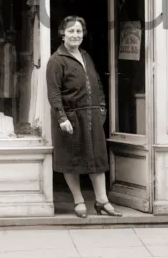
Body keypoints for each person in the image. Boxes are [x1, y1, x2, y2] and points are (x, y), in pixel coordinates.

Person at [46, 15, 122, 218]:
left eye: (79, 31)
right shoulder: (56, 60)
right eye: (71, 31)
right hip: (70, 118)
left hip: (92, 115)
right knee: (71, 159)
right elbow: (53, 94)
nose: (75, 35)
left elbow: (97, 83)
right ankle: (78, 200)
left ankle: (102, 201)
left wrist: (102, 108)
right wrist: (62, 118)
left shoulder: (85, 55)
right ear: (62, 34)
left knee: (96, 158)